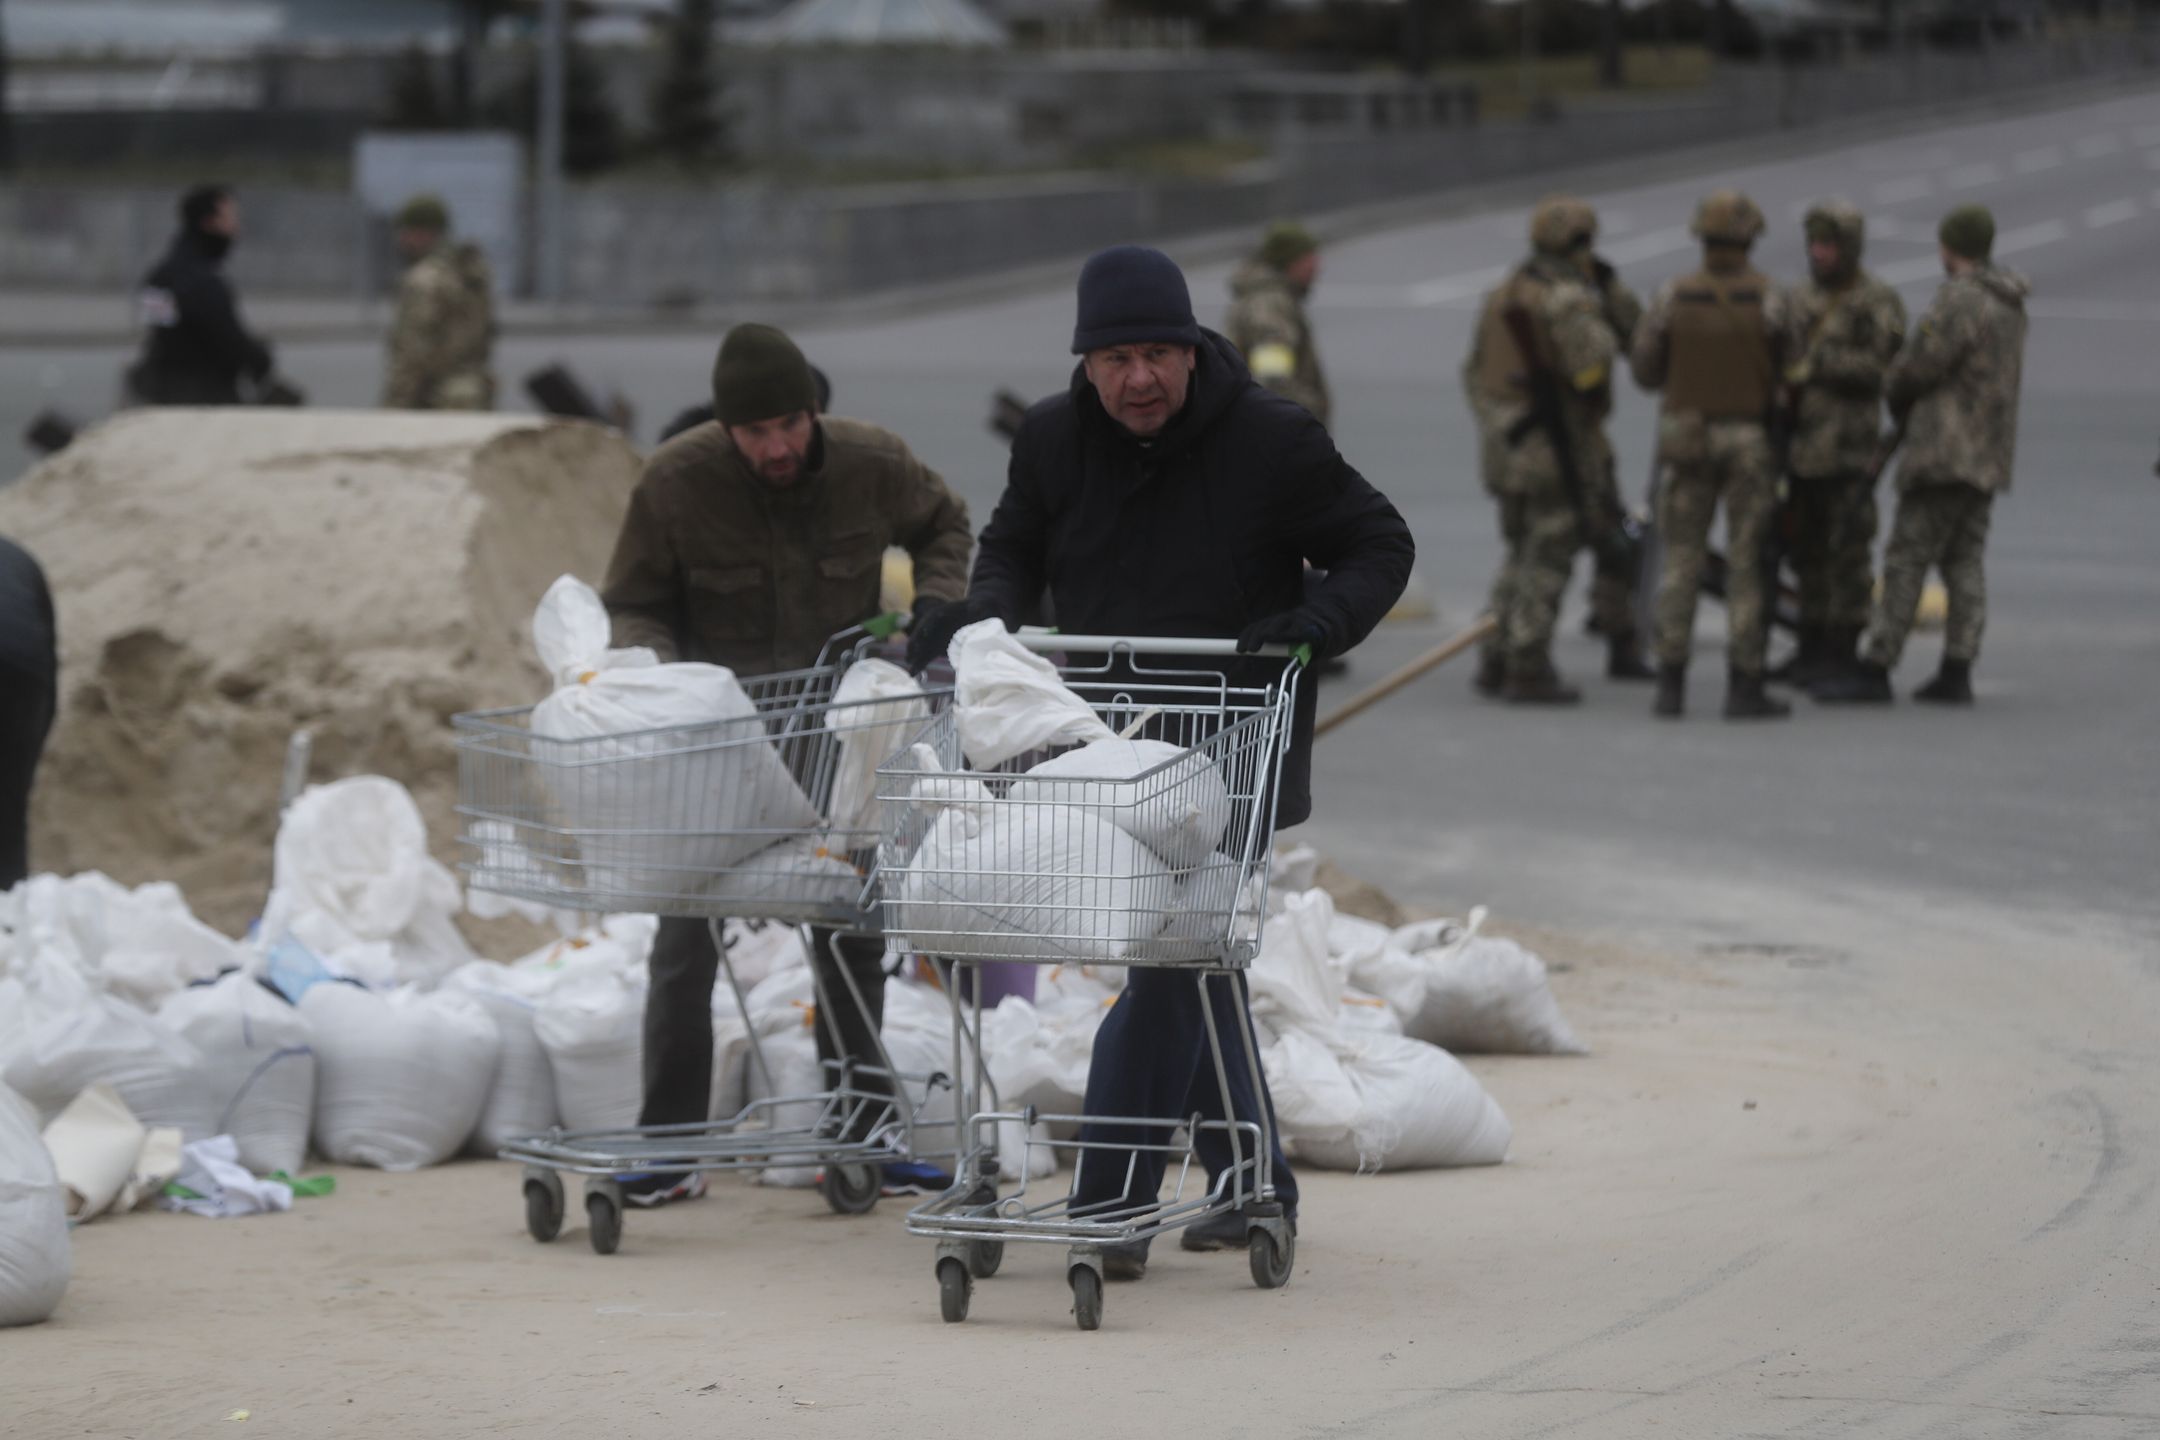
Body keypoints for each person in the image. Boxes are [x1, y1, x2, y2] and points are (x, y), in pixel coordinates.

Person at [908, 245, 1414, 1278]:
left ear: (1190, 352)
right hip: (1106, 755)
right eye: (1115, 357)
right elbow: (1013, 549)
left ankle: (1109, 1206)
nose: (1138, 378)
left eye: (1157, 354)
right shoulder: (1053, 440)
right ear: (1085, 365)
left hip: (1231, 745)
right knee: (1202, 959)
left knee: (1167, 960)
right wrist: (988, 632)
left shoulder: (1270, 438)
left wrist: (1319, 619)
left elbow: (1379, 542)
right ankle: (1253, 1180)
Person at [598, 322, 974, 1205]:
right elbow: (633, 601)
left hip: (832, 734)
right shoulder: (676, 483)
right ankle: (670, 1146)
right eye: (753, 433)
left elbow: (944, 521)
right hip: (716, 746)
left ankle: (863, 1131)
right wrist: (659, 676)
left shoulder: (873, 463)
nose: (773, 447)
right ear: (727, 431)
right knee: (684, 938)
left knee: (848, 925)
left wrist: (935, 610)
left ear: (813, 411)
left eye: (788, 427)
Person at [1816, 206, 2028, 706]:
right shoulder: (2009, 302)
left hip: (1943, 449)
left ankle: (1878, 663)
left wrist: (1894, 387)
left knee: (1907, 555)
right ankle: (1958, 665)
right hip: (1987, 452)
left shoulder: (1958, 301)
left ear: (1952, 246)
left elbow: (1918, 367)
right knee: (1965, 559)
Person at [1463, 195, 1654, 703]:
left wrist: (1500, 421)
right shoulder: (1567, 299)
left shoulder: (1503, 292)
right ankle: (1528, 664)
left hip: (1507, 446)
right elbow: (1594, 369)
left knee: (1520, 551)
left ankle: (1494, 653)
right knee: (1550, 554)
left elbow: (1474, 372)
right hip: (1554, 448)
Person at [1629, 189, 1794, 720]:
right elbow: (1795, 368)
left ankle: (1670, 683)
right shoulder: (1771, 297)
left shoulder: (1673, 296)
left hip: (1687, 438)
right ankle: (1745, 685)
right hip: (1749, 440)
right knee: (1748, 564)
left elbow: (1645, 371)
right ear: (1749, 237)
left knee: (1681, 559)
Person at [1777, 200, 1907, 692]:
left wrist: (1820, 363)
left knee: (1848, 553)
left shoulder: (1876, 301)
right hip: (1802, 449)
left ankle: (1843, 650)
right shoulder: (1796, 297)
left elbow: (1883, 368)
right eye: (1815, 244)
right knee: (1806, 552)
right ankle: (1810, 646)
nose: (1820, 253)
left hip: (1849, 451)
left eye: (1829, 245)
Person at [126, 184, 275, 406]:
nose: (236, 227)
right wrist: (260, 358)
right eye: (230, 218)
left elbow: (157, 331)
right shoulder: (205, 283)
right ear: (208, 223)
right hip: (205, 398)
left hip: (161, 393)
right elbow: (229, 340)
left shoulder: (159, 277)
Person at [381, 194, 497, 411]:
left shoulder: (424, 280)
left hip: (434, 399)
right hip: (473, 393)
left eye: (405, 232)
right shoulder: (470, 270)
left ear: (422, 233)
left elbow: (412, 355)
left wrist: (393, 408)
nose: (401, 240)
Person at [1225, 221, 1330, 428]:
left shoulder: (1268, 297)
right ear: (1290, 261)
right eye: (1309, 258)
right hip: (1282, 433)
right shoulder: (1270, 306)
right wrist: (1309, 415)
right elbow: (1272, 378)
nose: (1316, 267)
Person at [1, 536, 57, 890]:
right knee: (7, 820)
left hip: (22, 667)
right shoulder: (16, 557)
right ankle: (10, 930)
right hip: (26, 678)